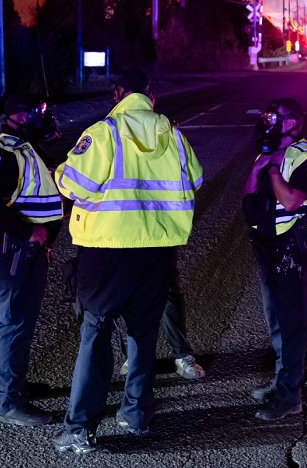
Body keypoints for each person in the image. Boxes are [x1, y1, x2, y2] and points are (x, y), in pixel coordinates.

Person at [52, 68, 204, 455]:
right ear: (151, 96)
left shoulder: (106, 132)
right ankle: (136, 414)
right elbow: (196, 179)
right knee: (143, 335)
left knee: (96, 334)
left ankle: (80, 427)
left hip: (107, 254)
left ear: (118, 93)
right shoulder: (173, 134)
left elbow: (72, 183)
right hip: (156, 253)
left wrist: (60, 170)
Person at [0, 92, 64, 427]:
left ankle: (17, 386)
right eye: (34, 112)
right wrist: (30, 234)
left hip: (27, 250)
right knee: (12, 324)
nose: (41, 118)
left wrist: (44, 239)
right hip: (11, 249)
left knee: (22, 323)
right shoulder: (3, 152)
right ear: (16, 116)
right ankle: (8, 403)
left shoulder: (25, 149)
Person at [242, 97, 307, 421]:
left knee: (293, 324)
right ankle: (282, 381)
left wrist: (273, 168)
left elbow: (291, 201)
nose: (267, 123)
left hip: (294, 250)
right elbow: (249, 199)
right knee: (276, 322)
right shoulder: (266, 155)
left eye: (274, 118)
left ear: (292, 123)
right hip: (268, 248)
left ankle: (289, 397)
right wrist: (261, 163)